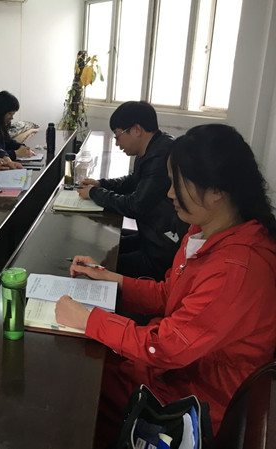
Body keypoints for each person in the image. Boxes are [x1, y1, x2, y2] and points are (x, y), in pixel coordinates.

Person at [56, 124, 276, 445]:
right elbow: (169, 294)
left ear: (217, 190)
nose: (170, 193)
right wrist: (111, 278)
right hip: (179, 368)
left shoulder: (236, 268)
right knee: (87, 366)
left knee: (77, 390)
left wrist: (88, 320)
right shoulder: (204, 231)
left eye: (178, 184)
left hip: (194, 401)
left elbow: (165, 348)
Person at [77, 101, 188, 281]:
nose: (116, 143)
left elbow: (135, 206)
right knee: (102, 250)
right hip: (151, 236)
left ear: (136, 130)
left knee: (103, 264)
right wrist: (100, 183)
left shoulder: (161, 156)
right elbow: (133, 180)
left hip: (160, 251)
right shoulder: (154, 146)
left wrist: (93, 193)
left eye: (118, 135)